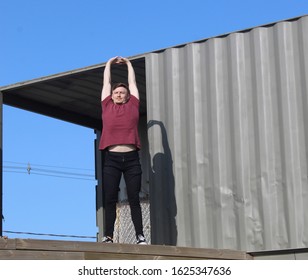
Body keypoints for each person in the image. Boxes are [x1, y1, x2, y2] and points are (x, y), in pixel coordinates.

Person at [99, 56, 146, 245]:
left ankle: (140, 236)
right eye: (116, 92)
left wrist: (128, 64)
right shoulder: (106, 106)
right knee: (110, 198)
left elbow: (133, 83)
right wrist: (109, 63)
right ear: (111, 95)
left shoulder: (133, 105)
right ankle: (108, 236)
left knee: (134, 198)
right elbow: (106, 82)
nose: (119, 94)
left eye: (122, 92)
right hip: (112, 159)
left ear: (128, 96)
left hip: (132, 159)